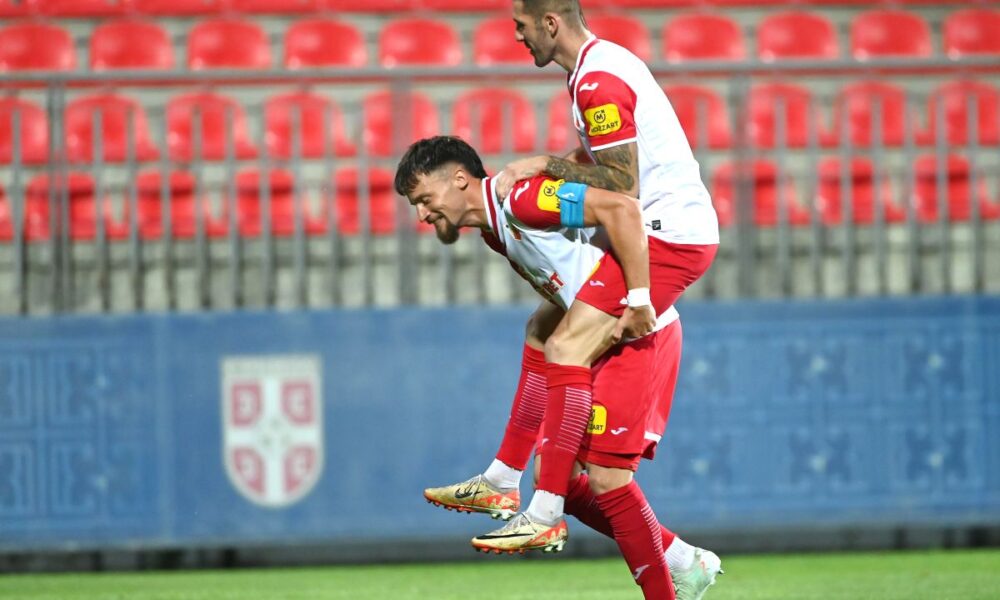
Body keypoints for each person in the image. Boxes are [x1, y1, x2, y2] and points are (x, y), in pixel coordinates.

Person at [396, 136, 721, 600]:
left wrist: (641, 299)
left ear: (460, 181)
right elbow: (571, 286)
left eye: (425, 199)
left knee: (608, 480)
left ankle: (661, 578)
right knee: (559, 471)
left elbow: (621, 211)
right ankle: (681, 562)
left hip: (638, 337)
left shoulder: (523, 202)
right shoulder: (496, 230)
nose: (423, 214)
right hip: (601, 340)